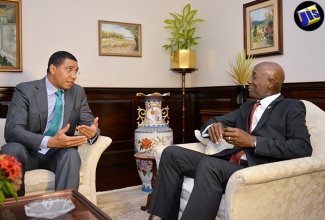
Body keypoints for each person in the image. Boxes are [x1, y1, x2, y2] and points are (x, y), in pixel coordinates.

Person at [147, 61, 312, 220]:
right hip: (230, 163)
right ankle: (166, 217)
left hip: (258, 168)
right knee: (172, 153)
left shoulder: (291, 107)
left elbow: (302, 147)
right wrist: (213, 126)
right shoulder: (247, 106)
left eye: (254, 77)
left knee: (209, 165)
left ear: (270, 83)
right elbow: (212, 121)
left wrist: (252, 141)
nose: (249, 81)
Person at [0, 51, 100, 196]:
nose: (74, 76)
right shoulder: (26, 90)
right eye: (69, 69)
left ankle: (64, 210)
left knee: (71, 154)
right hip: (27, 151)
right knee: (10, 150)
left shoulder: (77, 92)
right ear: (53, 69)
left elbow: (90, 123)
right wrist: (49, 141)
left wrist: (92, 133)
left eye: (76, 71)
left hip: (56, 154)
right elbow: (12, 131)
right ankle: (13, 212)